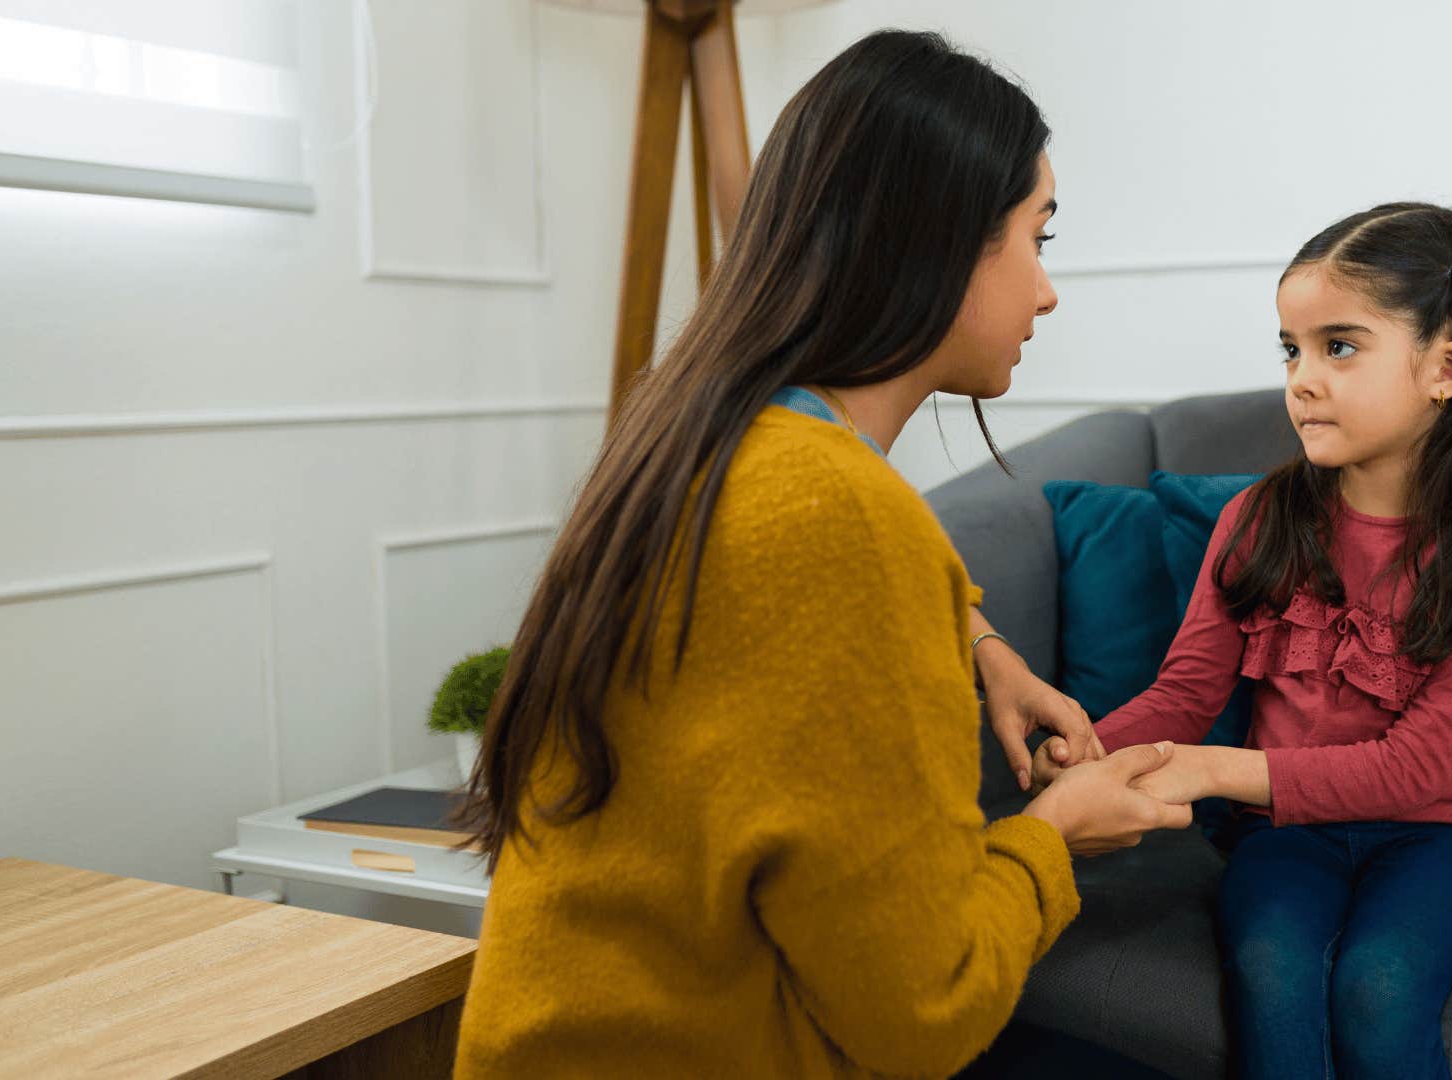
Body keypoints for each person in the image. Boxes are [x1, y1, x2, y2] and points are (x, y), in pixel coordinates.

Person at [453, 30, 1192, 1079]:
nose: (1046, 290)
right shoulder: (840, 515)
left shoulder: (707, 442)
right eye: (1039, 236)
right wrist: (1054, 836)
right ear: (938, 239)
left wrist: (983, 647)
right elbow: (924, 1012)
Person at [1036, 203, 1452, 1079]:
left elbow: (1412, 773)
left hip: (1445, 836)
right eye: (1292, 348)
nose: (1303, 379)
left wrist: (1211, 769)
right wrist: (1090, 750)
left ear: (1449, 367)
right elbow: (1184, 695)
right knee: (1274, 970)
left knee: (1379, 983)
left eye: (1340, 346)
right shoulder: (1259, 519)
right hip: (1286, 834)